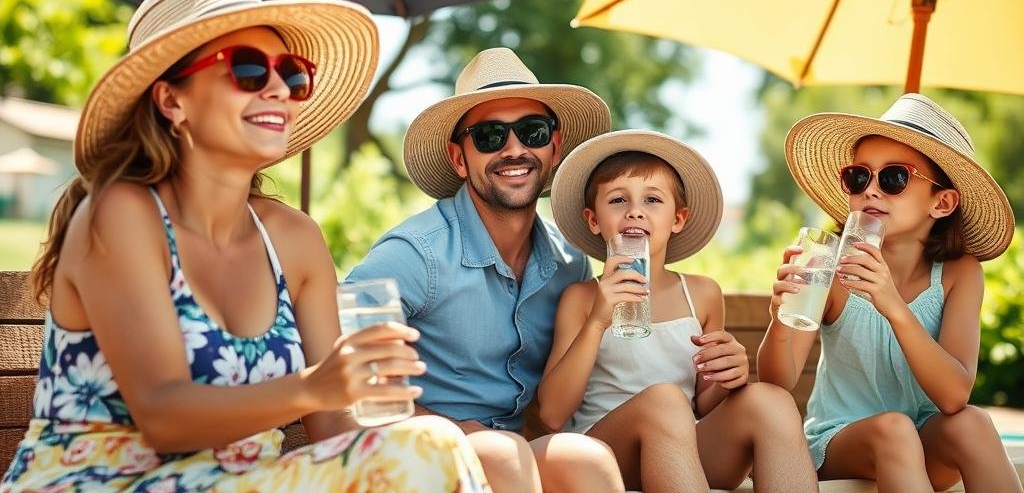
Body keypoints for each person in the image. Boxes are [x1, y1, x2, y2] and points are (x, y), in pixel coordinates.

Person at [0, 0, 489, 493]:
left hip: (247, 482)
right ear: (172, 101)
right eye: (249, 70)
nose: (279, 88)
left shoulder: (293, 238)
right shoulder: (121, 213)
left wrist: (399, 429)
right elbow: (164, 417)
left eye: (293, 73)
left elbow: (332, 429)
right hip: (103, 483)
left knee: (433, 444)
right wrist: (313, 387)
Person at [347, 47, 624, 492]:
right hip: (414, 453)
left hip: (509, 454)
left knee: (585, 459)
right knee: (503, 452)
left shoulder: (569, 264)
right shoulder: (416, 253)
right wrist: (456, 433)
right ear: (460, 159)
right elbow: (345, 371)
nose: (515, 149)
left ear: (554, 148)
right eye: (491, 137)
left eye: (532, 132)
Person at [757, 94, 1023, 492]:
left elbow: (953, 397)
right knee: (894, 430)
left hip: (926, 440)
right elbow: (777, 381)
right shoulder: (829, 267)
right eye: (858, 177)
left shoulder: (959, 273)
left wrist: (893, 306)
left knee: (974, 423)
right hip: (840, 442)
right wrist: (782, 318)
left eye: (894, 177)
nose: (871, 191)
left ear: (943, 202)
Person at [539, 130, 818, 493]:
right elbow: (552, 414)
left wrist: (729, 375)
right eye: (618, 199)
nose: (635, 210)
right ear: (594, 220)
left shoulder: (701, 294)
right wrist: (597, 321)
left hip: (681, 453)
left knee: (772, 400)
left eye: (653, 199)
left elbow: (705, 400)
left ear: (678, 218)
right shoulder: (581, 299)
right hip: (608, 455)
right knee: (664, 399)